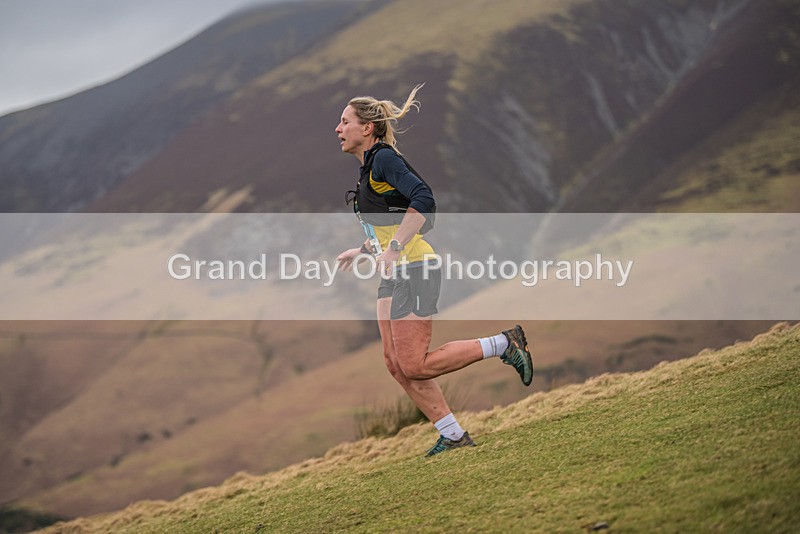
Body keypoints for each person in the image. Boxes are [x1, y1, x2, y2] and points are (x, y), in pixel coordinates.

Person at [335, 84, 533, 457]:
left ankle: (505, 344)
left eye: (345, 121)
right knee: (395, 364)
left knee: (415, 364)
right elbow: (390, 221)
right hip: (395, 271)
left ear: (368, 128)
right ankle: (453, 435)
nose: (338, 128)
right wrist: (364, 249)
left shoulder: (383, 159)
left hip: (415, 267)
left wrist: (393, 249)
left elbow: (424, 199)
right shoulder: (368, 169)